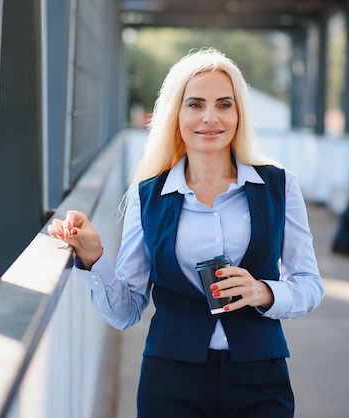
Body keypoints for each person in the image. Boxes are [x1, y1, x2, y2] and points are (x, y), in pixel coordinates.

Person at [48, 48, 324, 418]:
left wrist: (263, 291)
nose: (211, 117)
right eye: (195, 104)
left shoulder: (279, 185)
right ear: (175, 114)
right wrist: (94, 259)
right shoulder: (149, 196)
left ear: (238, 113)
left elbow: (309, 283)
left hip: (260, 376)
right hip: (171, 380)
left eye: (224, 104)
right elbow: (126, 311)